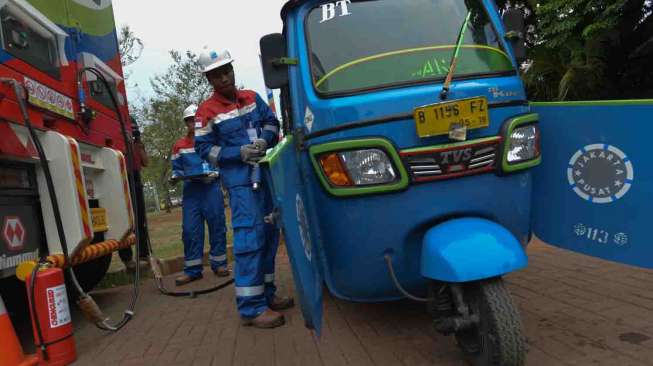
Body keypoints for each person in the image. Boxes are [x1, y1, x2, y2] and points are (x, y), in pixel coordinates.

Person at [194, 48, 293, 329]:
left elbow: (273, 123)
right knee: (250, 239)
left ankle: (267, 295)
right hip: (240, 184)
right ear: (209, 80)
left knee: (270, 235)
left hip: (266, 176)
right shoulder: (207, 112)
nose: (223, 77)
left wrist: (263, 140)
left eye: (226, 70)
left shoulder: (251, 98)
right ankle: (251, 308)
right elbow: (203, 149)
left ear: (232, 70)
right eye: (216, 75)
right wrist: (238, 152)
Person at [170, 104, 229, 286]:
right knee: (190, 230)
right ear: (185, 123)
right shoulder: (179, 146)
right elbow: (177, 170)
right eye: (189, 120)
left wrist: (217, 172)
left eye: (194, 120)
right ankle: (193, 270)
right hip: (191, 193)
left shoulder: (213, 142)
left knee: (217, 225)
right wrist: (175, 178)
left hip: (211, 189)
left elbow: (222, 162)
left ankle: (219, 264)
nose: (192, 123)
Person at [119, 117, 150, 270]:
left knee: (140, 220)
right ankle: (128, 260)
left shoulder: (137, 144)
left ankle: (144, 255)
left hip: (135, 178)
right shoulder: (117, 144)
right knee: (124, 222)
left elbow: (146, 162)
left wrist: (138, 143)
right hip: (121, 178)